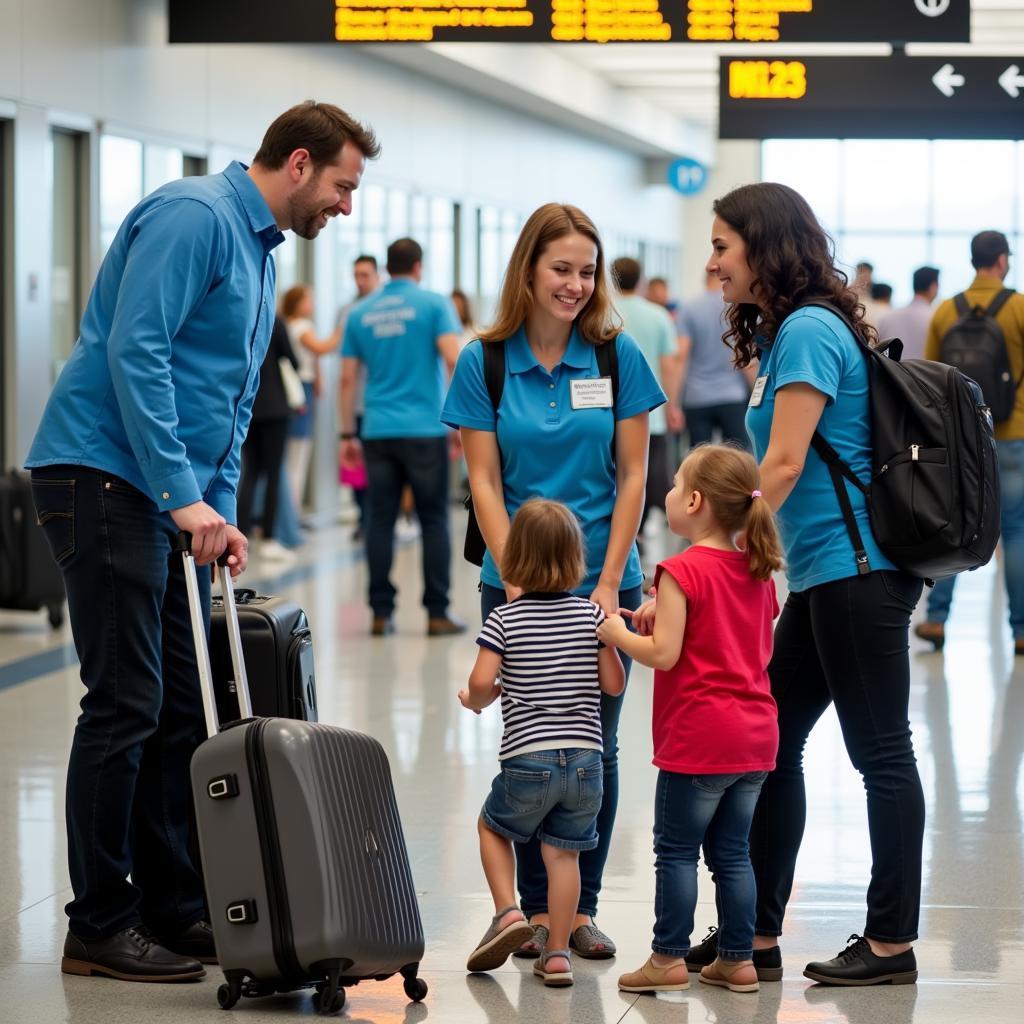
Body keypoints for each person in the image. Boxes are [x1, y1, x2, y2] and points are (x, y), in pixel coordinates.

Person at [25, 100, 379, 982]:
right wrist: (185, 496)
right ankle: (100, 921)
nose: (345, 208)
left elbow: (220, 399)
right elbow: (136, 353)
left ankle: (176, 905)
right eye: (341, 186)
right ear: (298, 164)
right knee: (124, 704)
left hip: (158, 494)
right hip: (101, 476)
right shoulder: (196, 218)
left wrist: (216, 515)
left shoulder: (258, 255)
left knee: (185, 705)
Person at [677, 182, 924, 986]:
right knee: (772, 741)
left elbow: (781, 463)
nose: (713, 263)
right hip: (824, 574)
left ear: (763, 244)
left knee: (880, 752)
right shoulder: (792, 332)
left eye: (722, 245)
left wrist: (723, 545)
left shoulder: (812, 329)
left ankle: (891, 943)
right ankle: (760, 932)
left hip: (859, 574)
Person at [442, 203, 665, 959]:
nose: (575, 285)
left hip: (608, 580)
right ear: (529, 270)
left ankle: (577, 915)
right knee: (529, 747)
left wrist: (607, 584)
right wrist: (514, 582)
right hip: (512, 582)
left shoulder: (614, 356)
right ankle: (534, 916)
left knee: (594, 749)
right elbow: (482, 478)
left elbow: (635, 474)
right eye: (561, 269)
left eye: (587, 271)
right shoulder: (486, 360)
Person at [598, 445, 781, 995]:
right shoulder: (759, 568)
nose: (670, 493)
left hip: (701, 737)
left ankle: (668, 957)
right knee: (732, 852)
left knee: (675, 851)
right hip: (755, 737)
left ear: (696, 502)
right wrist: (662, 610)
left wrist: (618, 633)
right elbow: (731, 629)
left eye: (677, 486)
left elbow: (664, 654)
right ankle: (737, 959)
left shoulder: (679, 569)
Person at [459, 499, 625, 987]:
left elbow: (482, 683)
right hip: (585, 764)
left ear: (515, 561)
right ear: (576, 558)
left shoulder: (504, 620)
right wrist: (609, 642)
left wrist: (473, 699)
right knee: (564, 855)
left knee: (493, 827)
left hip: (527, 761)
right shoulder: (590, 618)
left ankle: (509, 912)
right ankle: (557, 955)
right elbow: (613, 686)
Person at [340, 237, 464, 636]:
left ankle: (380, 612)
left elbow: (347, 379)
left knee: (379, 520)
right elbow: (453, 358)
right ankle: (437, 612)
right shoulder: (433, 304)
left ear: (387, 268)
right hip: (425, 429)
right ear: (418, 266)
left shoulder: (361, 313)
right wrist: (462, 423)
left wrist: (347, 434)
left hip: (376, 429)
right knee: (433, 520)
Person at [915, 232, 1024, 654]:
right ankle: (1020, 631)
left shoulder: (946, 311)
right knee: (1015, 532)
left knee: (956, 526)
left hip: (964, 441)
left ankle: (938, 621)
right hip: (1013, 434)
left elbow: (929, 379)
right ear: (1001, 261)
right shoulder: (1017, 307)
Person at [611, 257, 682, 532]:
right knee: (647, 478)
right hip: (652, 413)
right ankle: (638, 531)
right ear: (640, 281)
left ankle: (630, 534)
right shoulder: (659, 315)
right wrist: (672, 405)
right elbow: (669, 366)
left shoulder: (603, 313)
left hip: (611, 413)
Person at [236, 314, 301, 562]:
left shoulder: (241, 318)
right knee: (273, 473)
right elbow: (292, 361)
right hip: (275, 409)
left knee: (250, 472)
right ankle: (270, 538)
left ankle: (242, 533)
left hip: (248, 408)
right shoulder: (275, 321)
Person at [283, 283, 342, 512]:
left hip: (297, 389)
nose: (313, 304)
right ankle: (292, 513)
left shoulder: (287, 325)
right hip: (300, 391)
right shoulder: (301, 326)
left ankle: (291, 512)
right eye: (309, 299)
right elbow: (322, 347)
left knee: (293, 455)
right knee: (298, 455)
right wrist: (344, 325)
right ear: (298, 303)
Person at [677, 272, 753, 449]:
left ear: (705, 279)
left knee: (699, 464)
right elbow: (747, 360)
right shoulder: (737, 307)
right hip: (733, 396)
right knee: (737, 463)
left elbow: (681, 357)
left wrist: (673, 403)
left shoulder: (688, 308)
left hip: (697, 397)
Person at [336, 254, 381, 540]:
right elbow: (345, 370)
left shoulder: (378, 308)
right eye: (356, 275)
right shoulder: (348, 311)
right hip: (359, 403)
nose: (360, 280)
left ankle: (378, 519)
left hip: (379, 404)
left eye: (365, 275)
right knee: (357, 467)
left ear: (378, 275)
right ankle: (365, 518)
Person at [877, 266, 940, 362]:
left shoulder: (887, 317)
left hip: (890, 375)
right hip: (924, 376)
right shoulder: (935, 318)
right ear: (933, 287)